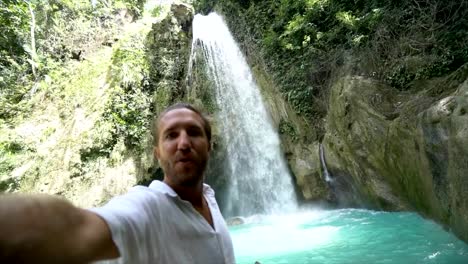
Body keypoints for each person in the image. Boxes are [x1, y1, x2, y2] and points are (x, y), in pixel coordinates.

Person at [0, 102, 235, 264]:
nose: (183, 143)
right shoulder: (148, 209)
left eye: (193, 132)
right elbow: (76, 227)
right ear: (157, 154)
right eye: (171, 135)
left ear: (210, 146)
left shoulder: (208, 197)